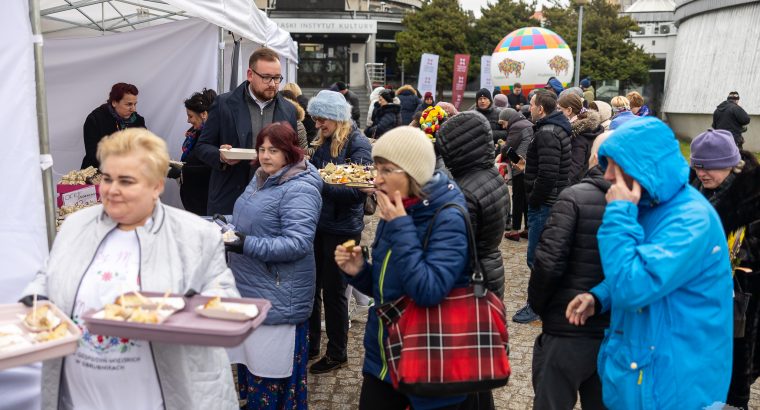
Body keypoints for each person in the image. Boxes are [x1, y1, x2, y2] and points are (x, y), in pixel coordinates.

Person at [22, 128, 239, 410]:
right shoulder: (76, 225)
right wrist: (33, 300)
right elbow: (49, 275)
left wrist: (184, 308)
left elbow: (226, 303)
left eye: (126, 181)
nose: (112, 190)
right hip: (80, 399)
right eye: (108, 178)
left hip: (158, 399)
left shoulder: (195, 236)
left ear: (156, 185)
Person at [566, 117, 733, 409]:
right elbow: (646, 265)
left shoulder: (690, 221)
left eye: (615, 165)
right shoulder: (652, 204)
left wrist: (619, 213)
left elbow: (634, 286)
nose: (606, 176)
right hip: (642, 363)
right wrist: (600, 296)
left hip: (671, 381)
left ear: (642, 167)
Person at [335, 126, 493, 410]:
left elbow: (428, 291)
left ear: (412, 173)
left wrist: (399, 225)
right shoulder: (398, 206)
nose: (376, 177)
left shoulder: (447, 216)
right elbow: (386, 289)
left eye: (386, 170)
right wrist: (358, 270)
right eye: (376, 167)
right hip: (382, 359)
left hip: (429, 361)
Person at [224, 122, 322, 409]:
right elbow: (250, 221)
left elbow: (298, 243)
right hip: (253, 289)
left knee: (271, 376)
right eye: (262, 149)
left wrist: (244, 243)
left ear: (290, 153)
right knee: (254, 368)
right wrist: (222, 223)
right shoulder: (261, 177)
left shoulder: (300, 189)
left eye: (274, 150)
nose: (265, 156)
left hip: (279, 294)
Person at [528, 132, 611, 410]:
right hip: (611, 331)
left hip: (567, 327)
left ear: (595, 158)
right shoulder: (642, 202)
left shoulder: (573, 197)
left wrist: (540, 305)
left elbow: (548, 262)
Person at [689, 129, 760, 409]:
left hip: (743, 302)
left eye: (710, 168)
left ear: (730, 163)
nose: (703, 174)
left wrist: (738, 258)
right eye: (697, 166)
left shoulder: (752, 197)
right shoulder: (693, 189)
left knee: (735, 373)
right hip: (698, 301)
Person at [307, 90, 372, 373]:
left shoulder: (358, 143)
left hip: (343, 228)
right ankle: (311, 344)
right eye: (315, 119)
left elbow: (358, 193)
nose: (317, 125)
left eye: (322, 120)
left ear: (336, 117)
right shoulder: (324, 141)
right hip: (320, 224)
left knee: (334, 291)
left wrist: (318, 182)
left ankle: (337, 352)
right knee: (312, 287)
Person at [195, 47, 297, 215]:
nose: (272, 84)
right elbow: (202, 146)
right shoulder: (224, 104)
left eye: (277, 78)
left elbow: (292, 153)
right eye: (266, 77)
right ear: (250, 75)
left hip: (271, 200)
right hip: (229, 198)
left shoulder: (288, 110)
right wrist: (220, 156)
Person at [513, 89, 572, 324]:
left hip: (545, 204)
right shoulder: (553, 129)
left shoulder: (548, 132)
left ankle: (537, 306)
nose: (529, 107)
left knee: (537, 259)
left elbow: (548, 175)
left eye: (532, 104)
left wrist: (534, 199)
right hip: (550, 200)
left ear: (541, 108)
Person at [438, 111, 510, 298]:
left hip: (472, 278)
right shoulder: (492, 175)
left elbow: (455, 247)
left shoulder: (465, 191)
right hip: (491, 267)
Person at [81, 82, 146, 169]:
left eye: (135, 104)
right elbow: (93, 154)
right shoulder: (95, 119)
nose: (133, 109)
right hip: (97, 172)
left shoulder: (138, 120)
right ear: (114, 102)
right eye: (129, 104)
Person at [178, 88, 216, 216]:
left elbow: (212, 167)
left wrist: (182, 170)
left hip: (204, 199)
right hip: (193, 197)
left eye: (190, 116)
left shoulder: (214, 136)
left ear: (204, 114)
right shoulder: (194, 134)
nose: (188, 120)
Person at [498, 108, 532, 241]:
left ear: (508, 119)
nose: (503, 126)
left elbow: (508, 148)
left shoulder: (516, 126)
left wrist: (501, 145)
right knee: (526, 199)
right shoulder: (527, 123)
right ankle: (528, 228)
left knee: (517, 197)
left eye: (503, 123)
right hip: (530, 166)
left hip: (519, 165)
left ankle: (514, 230)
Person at [559, 94, 605, 185]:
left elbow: (575, 165)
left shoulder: (577, 134)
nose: (558, 112)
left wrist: (562, 186)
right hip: (589, 180)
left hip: (576, 184)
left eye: (560, 109)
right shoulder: (590, 128)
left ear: (569, 110)